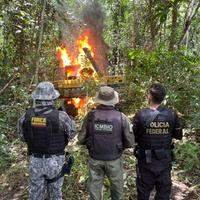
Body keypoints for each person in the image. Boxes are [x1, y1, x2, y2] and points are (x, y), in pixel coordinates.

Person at [17, 81, 76, 200]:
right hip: (56, 162)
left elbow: (22, 137)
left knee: (35, 194)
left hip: (35, 161)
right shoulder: (62, 116)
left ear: (36, 97)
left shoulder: (26, 116)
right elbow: (72, 134)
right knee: (55, 194)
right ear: (53, 98)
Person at [78, 86, 135, 200]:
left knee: (95, 189)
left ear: (99, 99)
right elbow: (130, 142)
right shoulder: (121, 117)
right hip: (114, 159)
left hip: (95, 158)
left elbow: (81, 138)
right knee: (117, 188)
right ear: (114, 100)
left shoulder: (90, 116)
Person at [132, 83, 183, 200]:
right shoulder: (172, 114)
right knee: (163, 192)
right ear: (163, 97)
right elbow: (178, 135)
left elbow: (133, 137)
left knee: (143, 192)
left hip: (145, 160)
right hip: (163, 160)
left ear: (149, 96)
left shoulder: (140, 115)